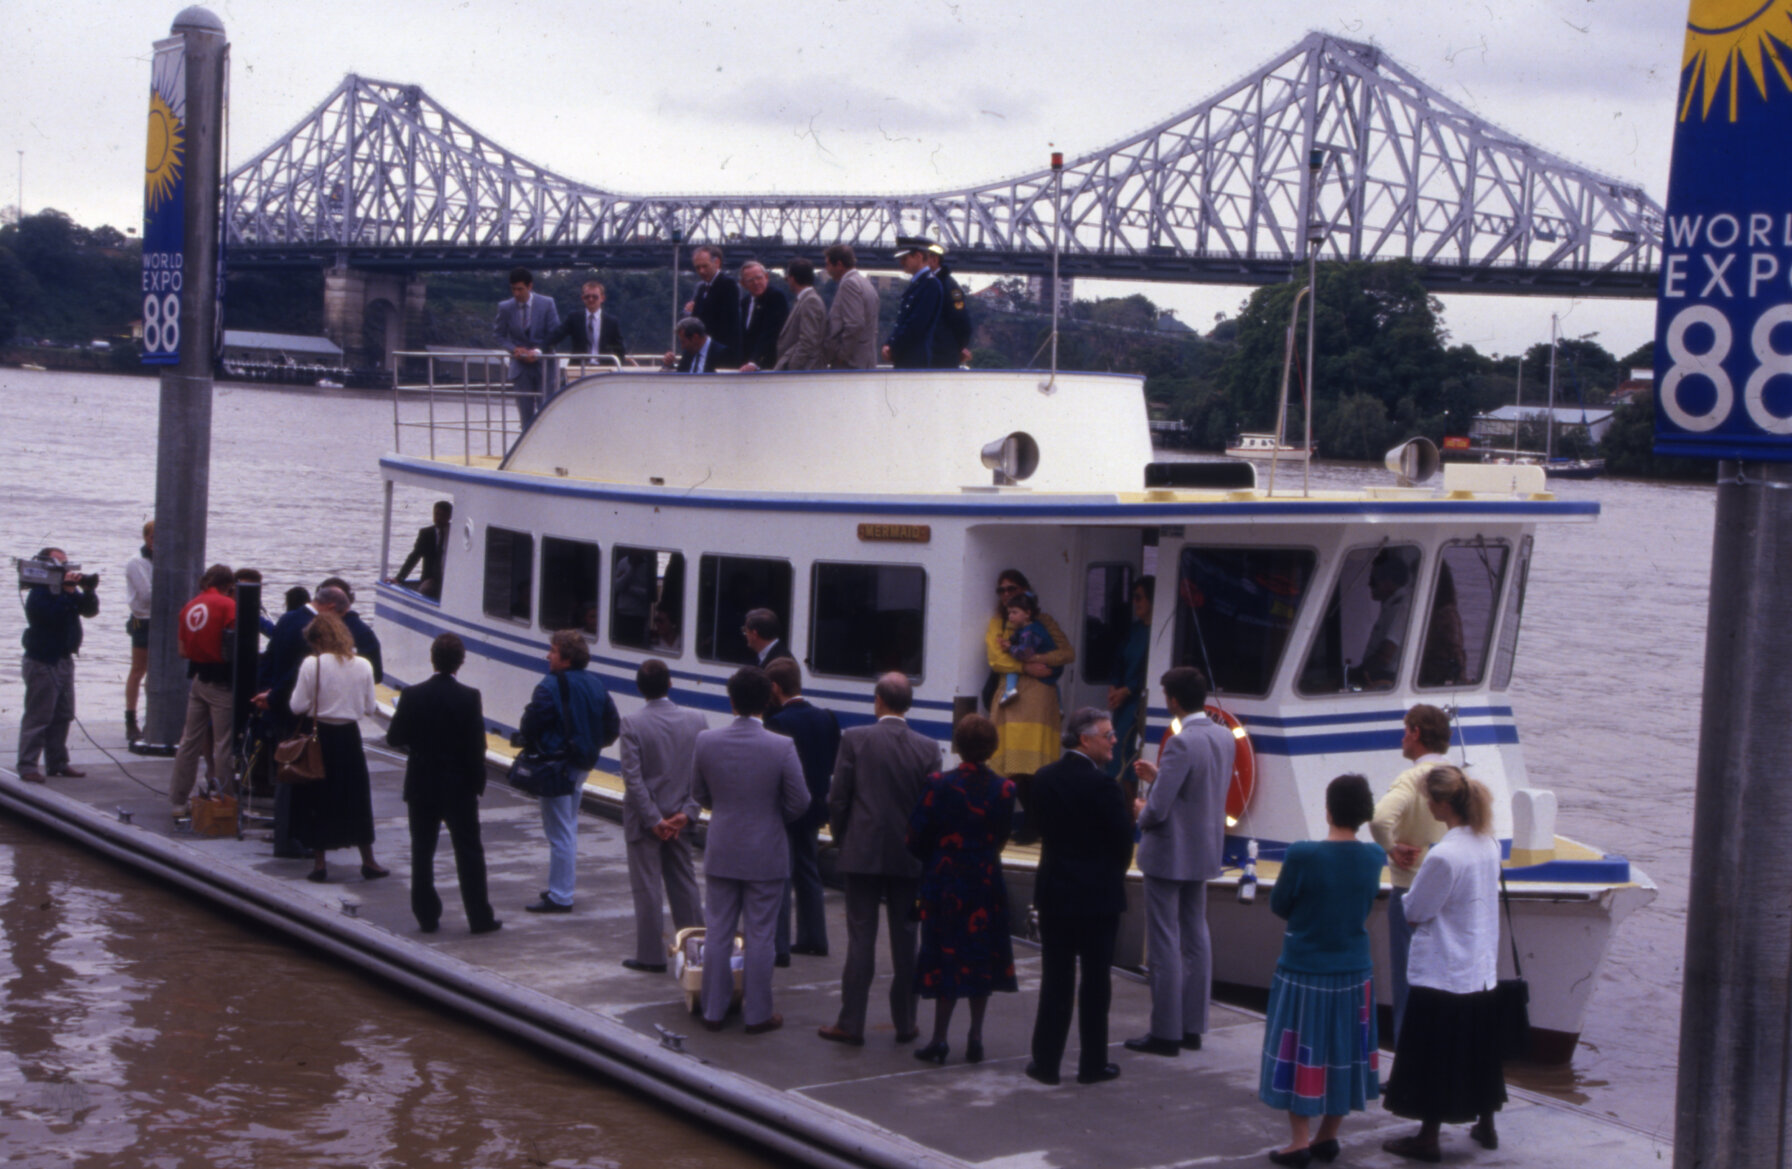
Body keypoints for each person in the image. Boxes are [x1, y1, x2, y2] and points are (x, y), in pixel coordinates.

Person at [1259, 774, 1387, 1166]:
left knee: (1302, 1052)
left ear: (1328, 809)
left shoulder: (1303, 854)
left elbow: (1280, 905)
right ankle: (1328, 1136)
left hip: (1305, 967)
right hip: (1353, 969)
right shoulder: (1374, 856)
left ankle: (1299, 1140)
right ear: (1364, 814)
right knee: (1343, 1051)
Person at [1381, 765, 1506, 1162]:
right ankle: (1486, 1122)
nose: (1428, 806)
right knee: (1477, 1050)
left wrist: (1405, 895)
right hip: (1479, 964)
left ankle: (1428, 1136)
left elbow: (1416, 911)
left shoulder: (1445, 855)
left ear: (1441, 803)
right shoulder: (1488, 843)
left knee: (1431, 1053)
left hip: (1444, 968)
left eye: (1429, 800)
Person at [819, 672, 940, 1047]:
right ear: (908, 704)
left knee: (861, 938)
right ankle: (905, 1022)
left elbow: (839, 797)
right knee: (907, 940)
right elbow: (930, 808)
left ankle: (851, 1022)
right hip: (908, 858)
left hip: (863, 852)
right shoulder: (928, 747)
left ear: (878, 701)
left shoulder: (855, 739)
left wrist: (844, 838)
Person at [692, 667, 809, 1034]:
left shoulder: (706, 741)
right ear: (767, 701)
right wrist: (773, 817)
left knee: (718, 931)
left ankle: (713, 1008)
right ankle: (757, 1014)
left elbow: (698, 793)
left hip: (723, 844)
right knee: (760, 935)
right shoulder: (781, 746)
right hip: (766, 850)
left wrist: (724, 808)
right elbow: (800, 801)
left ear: (731, 702)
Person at [1125, 666, 1234, 1057]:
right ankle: (1193, 1026)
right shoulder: (1224, 736)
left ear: (1172, 700)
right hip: (1203, 849)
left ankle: (1165, 1031)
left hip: (1169, 852)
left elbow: (1158, 810)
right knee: (1196, 936)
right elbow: (1197, 789)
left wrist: (1141, 807)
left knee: (1164, 940)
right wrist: (1160, 778)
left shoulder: (1182, 742)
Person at [1025, 708, 1134, 1086]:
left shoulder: (1044, 779)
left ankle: (1046, 1062)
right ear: (1086, 739)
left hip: (1056, 890)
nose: (1114, 740)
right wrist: (1108, 875)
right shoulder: (1105, 788)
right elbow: (1122, 843)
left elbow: (1040, 827)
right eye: (1108, 734)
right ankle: (1092, 1063)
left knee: (1056, 979)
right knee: (1095, 982)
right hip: (1098, 897)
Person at [907, 714, 1018, 1065]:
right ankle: (975, 1036)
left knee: (946, 952)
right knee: (980, 954)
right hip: (984, 879)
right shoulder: (1005, 789)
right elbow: (1002, 835)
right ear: (992, 748)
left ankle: (940, 1038)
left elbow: (915, 835)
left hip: (946, 878)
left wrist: (937, 857)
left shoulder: (939, 784)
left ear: (958, 745)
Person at [386, 632, 501, 935]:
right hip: (459, 785)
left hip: (422, 782)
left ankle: (426, 915)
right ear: (460, 662)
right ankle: (479, 916)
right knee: (469, 852)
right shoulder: (469, 696)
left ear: (432, 659)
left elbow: (394, 737)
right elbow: (477, 746)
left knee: (422, 852)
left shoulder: (412, 695)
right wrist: (477, 783)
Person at [518, 629, 620, 913]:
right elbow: (612, 726)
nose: (548, 656)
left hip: (556, 764)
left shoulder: (550, 685)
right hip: (582, 764)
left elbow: (531, 723)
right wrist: (592, 745)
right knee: (568, 825)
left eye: (552, 651)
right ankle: (560, 885)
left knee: (559, 830)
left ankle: (561, 894)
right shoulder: (596, 684)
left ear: (565, 658)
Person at [1368, 704, 1452, 1046]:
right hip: (1448, 891)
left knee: (1408, 979)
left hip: (1409, 888)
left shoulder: (1411, 779)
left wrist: (1391, 847)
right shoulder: (1458, 778)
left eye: (1406, 731)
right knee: (1440, 979)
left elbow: (1378, 819)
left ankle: (1406, 1062)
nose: (1403, 738)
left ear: (1416, 733)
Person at [617, 658, 707, 971]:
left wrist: (654, 819)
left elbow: (633, 779)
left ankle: (651, 956)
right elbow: (702, 774)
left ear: (640, 689)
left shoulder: (631, 723)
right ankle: (697, 952)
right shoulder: (697, 720)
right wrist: (687, 812)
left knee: (648, 888)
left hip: (645, 823)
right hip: (681, 818)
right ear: (670, 683)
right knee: (685, 884)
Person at [287, 612, 387, 884]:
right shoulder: (363, 665)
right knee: (356, 798)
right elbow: (369, 708)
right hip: (350, 738)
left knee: (319, 797)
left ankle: (319, 863)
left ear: (319, 639)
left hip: (320, 736)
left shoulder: (313, 664)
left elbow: (297, 706)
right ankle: (368, 860)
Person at [257, 584, 352, 858]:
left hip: (276, 707)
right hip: (295, 711)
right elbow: (299, 671)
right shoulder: (313, 628)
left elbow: (270, 659)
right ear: (332, 608)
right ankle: (289, 839)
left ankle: (284, 832)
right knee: (296, 775)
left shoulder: (288, 618)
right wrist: (274, 696)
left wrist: (263, 694)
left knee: (284, 771)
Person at [985, 570, 1073, 831]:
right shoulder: (997, 624)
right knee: (1009, 765)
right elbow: (995, 659)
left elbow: (1067, 653)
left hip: (1038, 699)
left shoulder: (1044, 622)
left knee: (1034, 767)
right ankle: (1023, 822)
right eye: (1002, 591)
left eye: (1012, 589)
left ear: (1026, 591)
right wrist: (1025, 668)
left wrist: (1037, 660)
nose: (1007, 595)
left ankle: (1036, 823)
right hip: (1010, 699)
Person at [764, 659, 840, 963]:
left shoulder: (779, 723)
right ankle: (814, 937)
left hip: (786, 807)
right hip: (815, 806)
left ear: (775, 688)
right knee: (809, 871)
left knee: (781, 874)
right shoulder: (826, 718)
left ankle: (779, 946)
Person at [17, 548, 99, 782]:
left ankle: (58, 762)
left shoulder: (66, 590)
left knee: (63, 713)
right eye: (60, 563)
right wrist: (67, 591)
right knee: (38, 715)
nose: (66, 569)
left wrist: (88, 590)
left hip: (64, 659)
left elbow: (89, 611)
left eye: (66, 563)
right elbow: (48, 616)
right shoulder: (40, 592)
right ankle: (27, 765)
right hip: (42, 661)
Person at [168, 564, 239, 818]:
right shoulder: (228, 606)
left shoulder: (190, 606)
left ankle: (178, 800)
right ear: (229, 585)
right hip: (222, 682)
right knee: (223, 743)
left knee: (189, 741)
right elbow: (237, 647)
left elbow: (182, 651)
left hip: (198, 679)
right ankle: (223, 800)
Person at [492, 266, 561, 428]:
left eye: (520, 289)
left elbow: (556, 333)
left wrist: (538, 351)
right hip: (520, 368)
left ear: (530, 286)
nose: (516, 294)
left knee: (546, 411)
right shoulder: (505, 307)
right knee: (525, 416)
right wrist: (514, 349)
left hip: (544, 366)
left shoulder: (547, 303)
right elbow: (498, 335)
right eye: (513, 289)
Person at [1105, 577, 1153, 782]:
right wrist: (1114, 686)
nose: (1135, 602)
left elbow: (1151, 669)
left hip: (1139, 701)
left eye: (1139, 597)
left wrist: (1128, 690)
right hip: (1123, 702)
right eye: (1133, 597)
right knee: (1116, 753)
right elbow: (1119, 659)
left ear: (1152, 599)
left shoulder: (1157, 632)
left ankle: (1132, 809)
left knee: (1132, 759)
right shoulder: (1134, 630)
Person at [881, 237, 942, 369]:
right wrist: (890, 343)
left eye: (905, 258)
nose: (901, 262)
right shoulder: (920, 283)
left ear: (919, 256)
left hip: (915, 359)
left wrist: (894, 348)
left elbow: (916, 324)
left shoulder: (930, 285)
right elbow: (903, 321)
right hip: (908, 357)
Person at [1357, 551, 1412, 688]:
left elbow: (1385, 656)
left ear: (1388, 582)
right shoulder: (1390, 606)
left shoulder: (1400, 608)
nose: (1369, 585)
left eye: (1374, 581)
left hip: (1386, 679)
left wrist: (1359, 672)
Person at [822, 244, 880, 370]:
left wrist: (841, 355)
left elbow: (855, 324)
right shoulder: (865, 283)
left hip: (850, 364)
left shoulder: (849, 284)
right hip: (866, 361)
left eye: (828, 265)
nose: (827, 269)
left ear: (839, 264)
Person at [997, 590, 1059, 705]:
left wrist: (1010, 648)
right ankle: (1059, 706)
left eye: (1014, 613)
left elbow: (1024, 654)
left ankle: (1010, 689)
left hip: (1048, 666)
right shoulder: (1024, 627)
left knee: (1012, 666)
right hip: (1053, 667)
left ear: (1027, 613)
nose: (1010, 617)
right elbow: (1016, 638)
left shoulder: (1031, 632)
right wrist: (1007, 642)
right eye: (1009, 613)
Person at [544, 280, 627, 364]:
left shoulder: (612, 322)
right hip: (578, 368)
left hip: (604, 369)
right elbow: (555, 336)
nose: (591, 299)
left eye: (595, 297)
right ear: (582, 298)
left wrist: (618, 369)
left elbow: (620, 349)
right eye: (587, 297)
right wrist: (539, 350)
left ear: (602, 298)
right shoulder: (574, 318)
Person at [685, 245, 742, 366]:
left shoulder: (728, 285)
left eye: (705, 266)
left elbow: (728, 325)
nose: (701, 271)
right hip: (705, 354)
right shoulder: (701, 288)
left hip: (721, 355)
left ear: (717, 262)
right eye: (697, 267)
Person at [124, 520, 154, 742]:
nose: (157, 543)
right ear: (146, 538)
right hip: (144, 620)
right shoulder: (136, 562)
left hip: (166, 620)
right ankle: (130, 719)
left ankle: (153, 717)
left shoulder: (168, 559)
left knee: (159, 672)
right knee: (138, 669)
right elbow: (146, 595)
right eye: (153, 537)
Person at [771, 258, 827, 370]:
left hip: (803, 370)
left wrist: (792, 367)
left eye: (787, 278)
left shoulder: (810, 301)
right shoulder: (805, 299)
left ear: (792, 279)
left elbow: (808, 340)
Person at [926, 243, 973, 368]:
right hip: (930, 352)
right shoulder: (928, 283)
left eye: (923, 259)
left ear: (934, 260)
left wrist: (957, 348)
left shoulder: (949, 286)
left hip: (942, 355)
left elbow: (962, 321)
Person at [394, 501, 452, 600]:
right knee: (426, 589)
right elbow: (414, 556)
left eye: (442, 515)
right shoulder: (426, 534)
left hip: (450, 577)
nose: (438, 518)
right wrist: (399, 578)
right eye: (436, 514)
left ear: (449, 516)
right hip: (431, 578)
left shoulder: (455, 533)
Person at [736, 261, 789, 370]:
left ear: (766, 277)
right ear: (743, 284)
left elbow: (770, 333)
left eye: (759, 278)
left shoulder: (775, 297)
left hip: (770, 365)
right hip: (747, 367)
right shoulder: (745, 302)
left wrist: (754, 362)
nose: (756, 283)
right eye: (750, 280)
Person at [664, 317, 730, 374]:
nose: (682, 347)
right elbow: (679, 376)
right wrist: (668, 365)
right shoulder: (687, 354)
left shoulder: (722, 353)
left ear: (695, 337)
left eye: (683, 342)